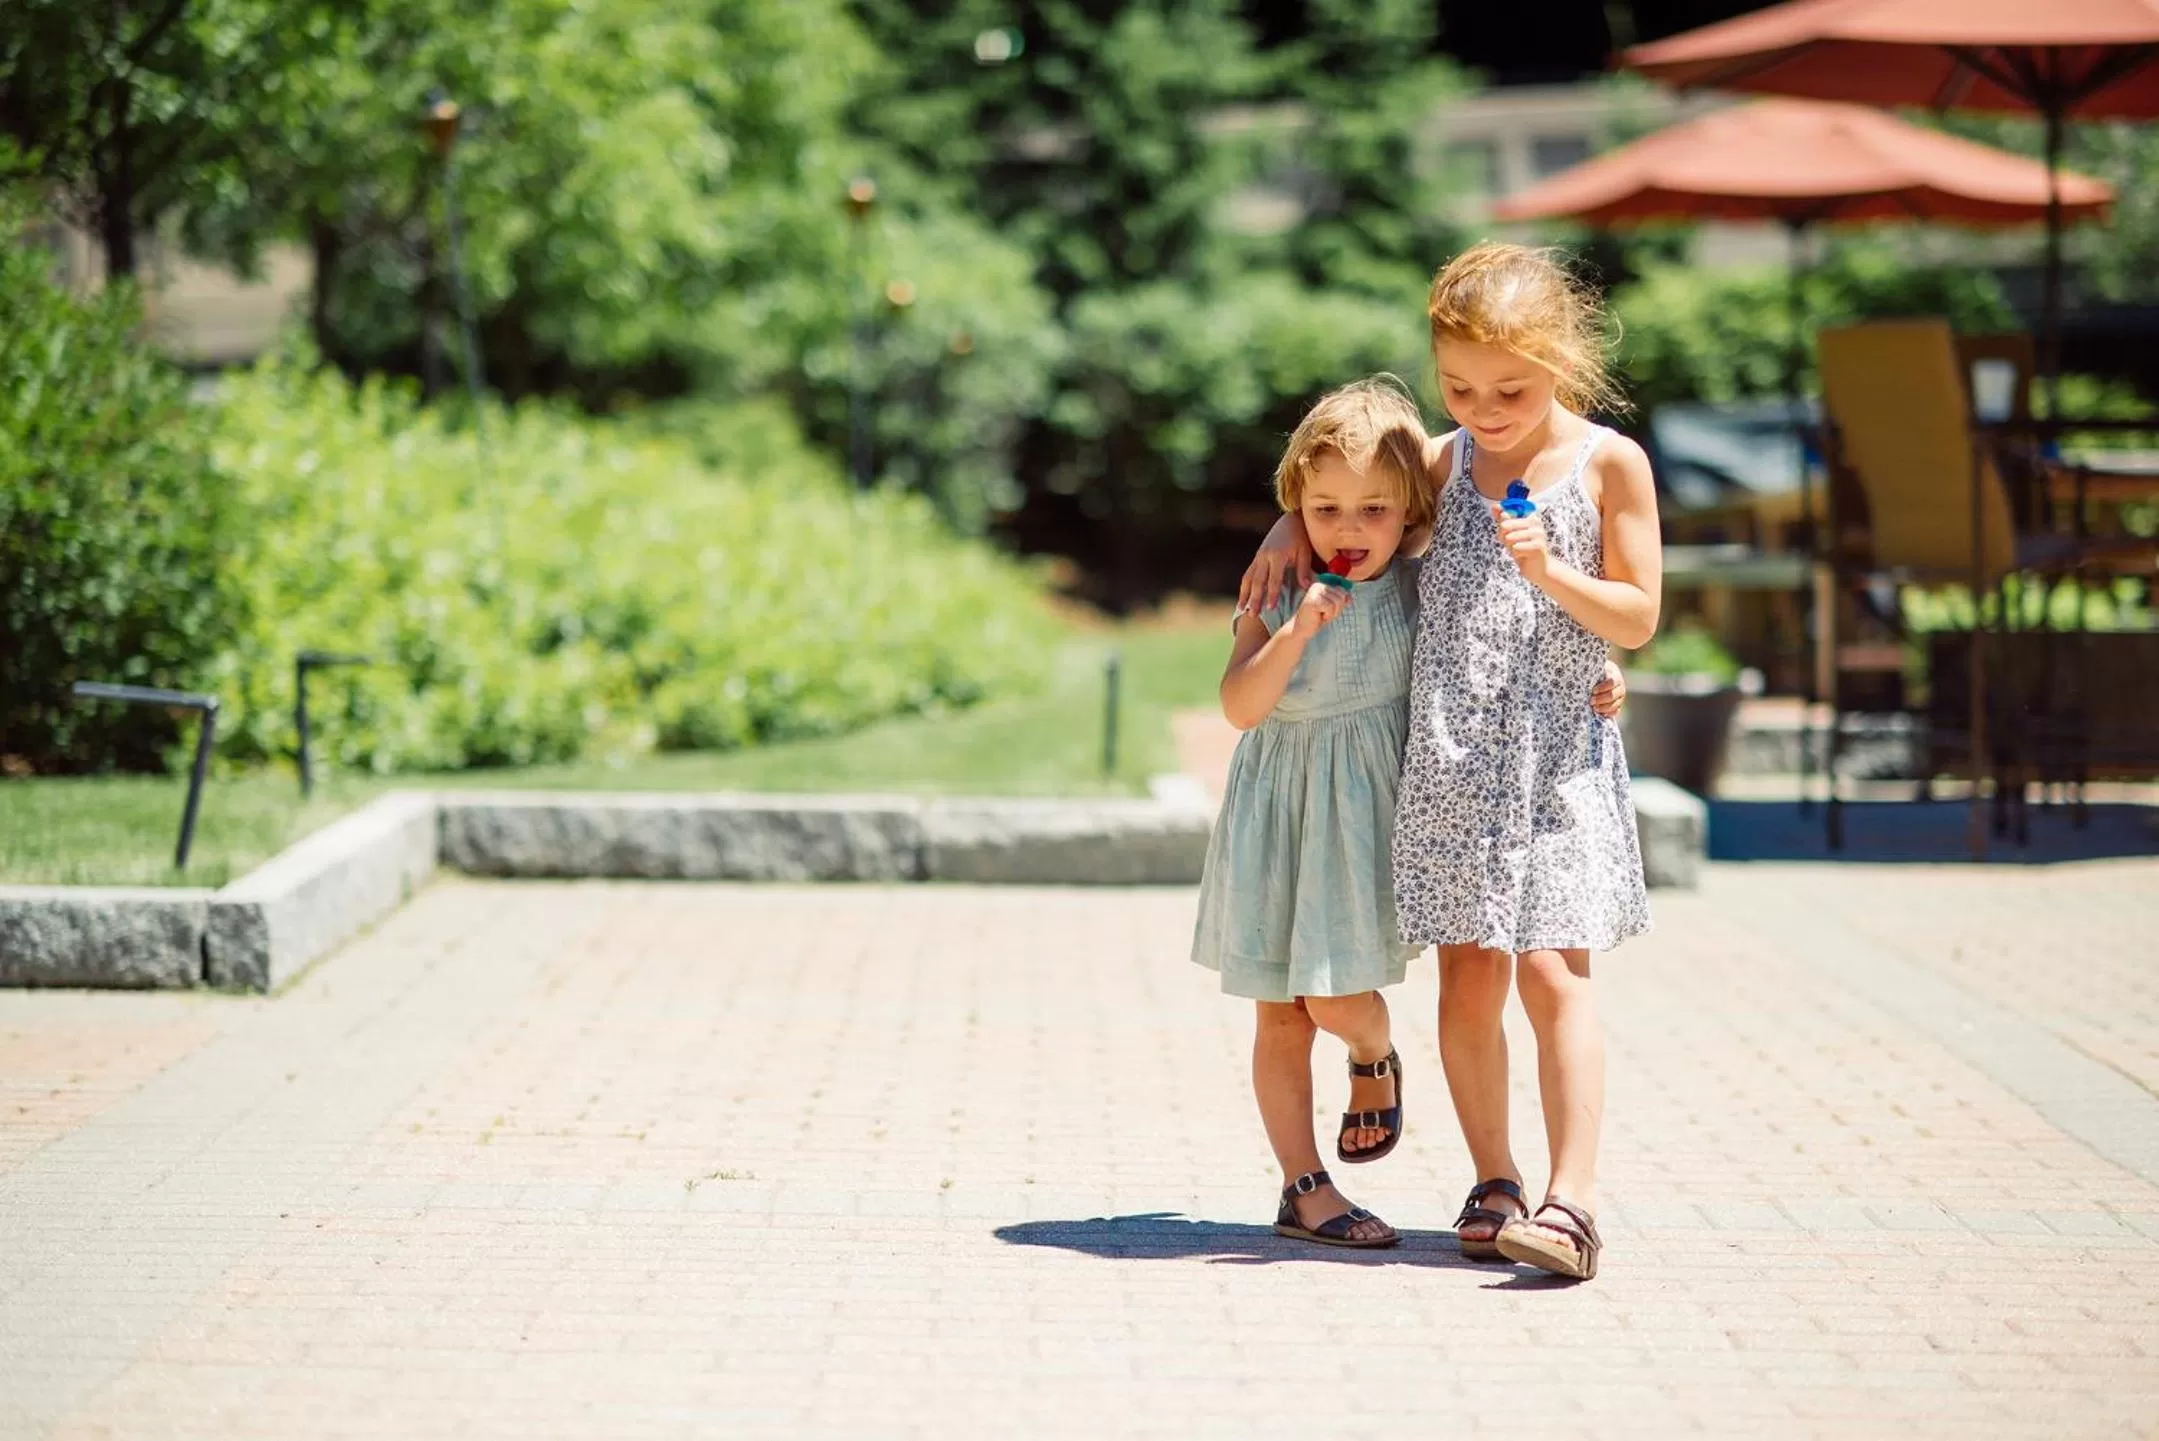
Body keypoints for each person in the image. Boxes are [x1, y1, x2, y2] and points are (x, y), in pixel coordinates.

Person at [1237, 244, 1660, 1280]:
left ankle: (1571, 1200)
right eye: (1459, 388)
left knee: (1554, 973)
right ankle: (1493, 1181)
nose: (1482, 409)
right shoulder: (1441, 462)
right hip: (1454, 764)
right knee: (1469, 979)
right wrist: (1284, 526)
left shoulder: (1609, 465)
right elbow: (1349, 488)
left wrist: (1552, 574)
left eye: (1509, 389)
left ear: (1559, 362)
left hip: (1556, 762)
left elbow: (1637, 615)